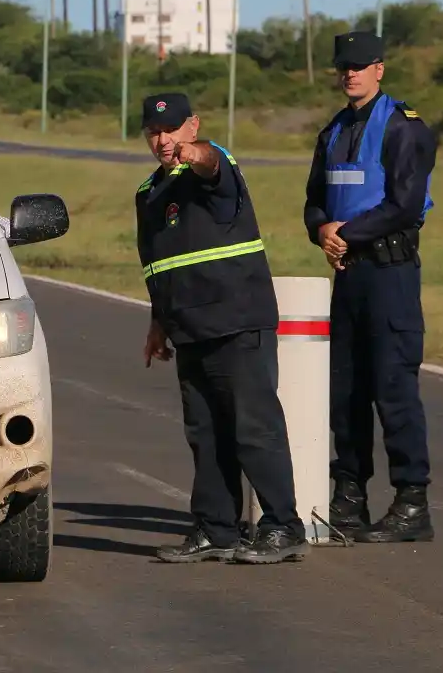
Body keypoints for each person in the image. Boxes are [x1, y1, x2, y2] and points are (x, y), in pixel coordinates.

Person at [137, 92, 308, 565]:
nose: (163, 140)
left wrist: (195, 154)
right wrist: (157, 323)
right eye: (153, 132)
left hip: (236, 322)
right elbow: (158, 264)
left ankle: (283, 526)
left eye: (172, 130)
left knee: (255, 430)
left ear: (193, 126)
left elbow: (211, 162)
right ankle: (217, 529)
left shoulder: (215, 167)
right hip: (189, 328)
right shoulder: (149, 193)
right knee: (205, 433)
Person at [302, 30, 438, 543]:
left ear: (379, 69)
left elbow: (405, 205)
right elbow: (314, 199)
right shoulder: (333, 130)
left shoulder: (404, 127)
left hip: (390, 275)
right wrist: (322, 230)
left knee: (393, 389)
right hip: (348, 276)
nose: (350, 74)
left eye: (359, 66)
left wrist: (347, 233)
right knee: (347, 392)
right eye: (344, 67)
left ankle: (411, 503)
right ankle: (349, 497)